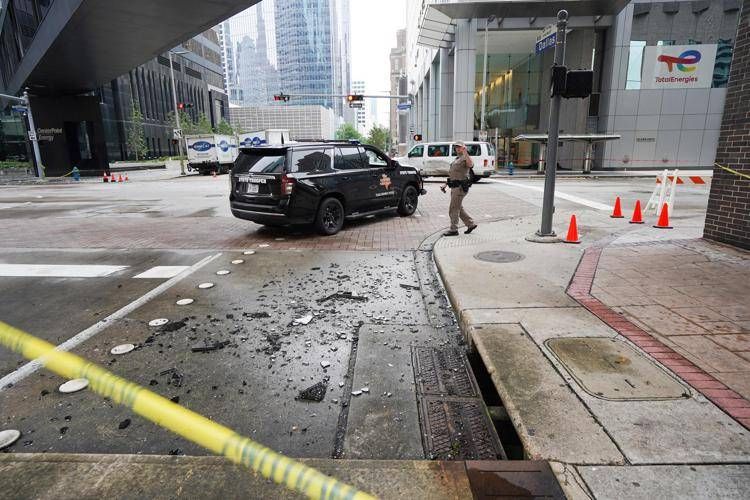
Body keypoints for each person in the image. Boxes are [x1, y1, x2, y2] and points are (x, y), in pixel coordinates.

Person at [443, 141, 477, 236]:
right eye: (456, 147)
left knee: (453, 208)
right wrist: (446, 184)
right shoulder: (456, 159)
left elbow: (470, 165)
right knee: (458, 208)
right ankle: (471, 224)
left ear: (463, 148)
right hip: (454, 187)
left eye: (459, 147)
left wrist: (466, 153)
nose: (457, 148)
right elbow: (453, 174)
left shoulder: (465, 158)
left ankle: (454, 230)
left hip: (460, 187)